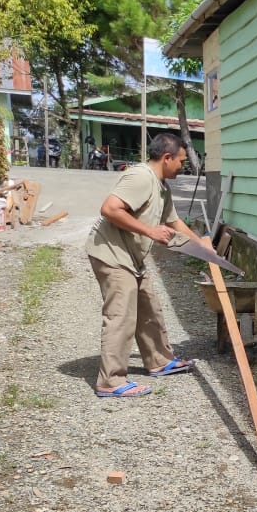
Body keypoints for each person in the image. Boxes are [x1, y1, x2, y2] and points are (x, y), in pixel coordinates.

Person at [85, 132, 210, 397]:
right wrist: (149, 231)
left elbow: (174, 223)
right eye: (180, 161)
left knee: (148, 307)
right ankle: (111, 381)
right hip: (111, 254)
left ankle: (159, 361)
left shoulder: (162, 186)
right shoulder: (141, 177)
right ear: (166, 158)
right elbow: (109, 208)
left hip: (132, 257)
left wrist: (201, 245)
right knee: (121, 316)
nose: (183, 166)